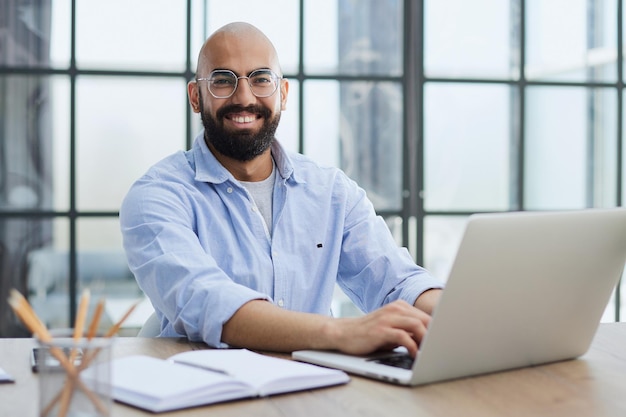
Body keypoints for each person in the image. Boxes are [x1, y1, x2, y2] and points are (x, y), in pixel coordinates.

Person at [120, 22, 443, 358]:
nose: (243, 97)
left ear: (283, 93)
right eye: (222, 80)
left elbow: (397, 283)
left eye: (260, 79)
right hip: (211, 398)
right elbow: (208, 303)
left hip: (320, 392)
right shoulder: (156, 196)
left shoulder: (332, 192)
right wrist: (342, 331)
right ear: (195, 97)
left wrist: (466, 315)